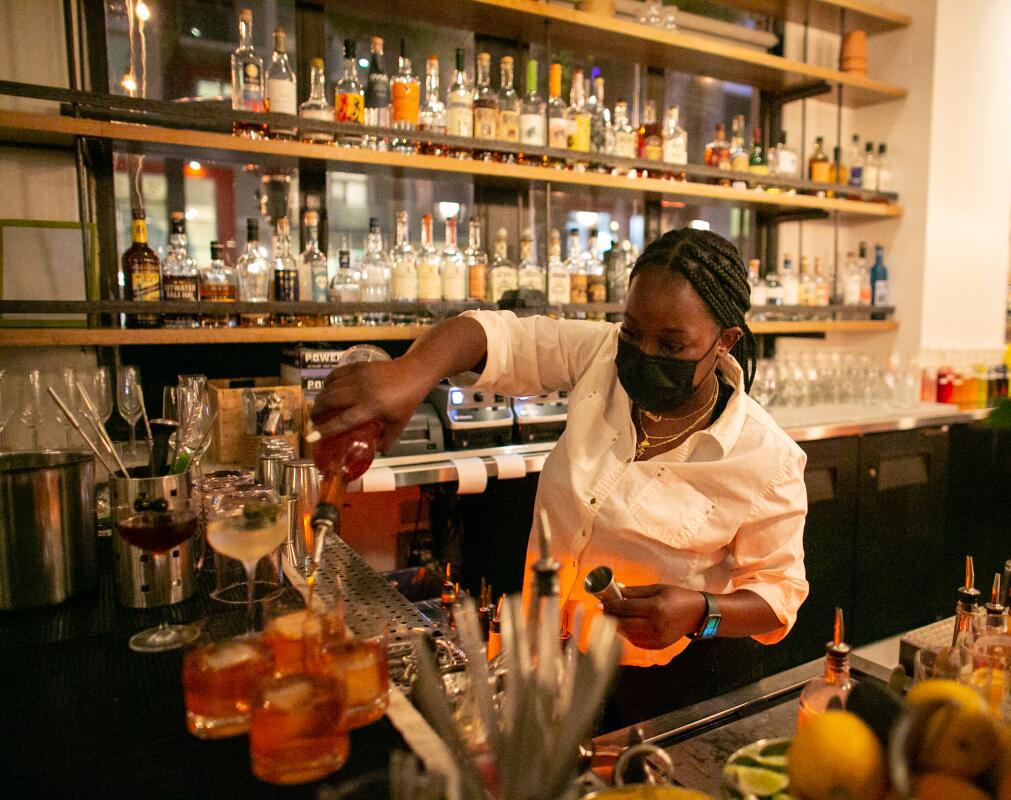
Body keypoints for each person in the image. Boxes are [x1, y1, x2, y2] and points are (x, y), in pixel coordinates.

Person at [312, 227, 808, 728]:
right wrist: (410, 373)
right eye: (632, 331)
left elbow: (779, 594)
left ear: (725, 342)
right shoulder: (601, 356)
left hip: (669, 688)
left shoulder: (767, 457)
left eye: (672, 344)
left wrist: (702, 611)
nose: (641, 352)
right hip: (552, 659)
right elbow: (494, 335)